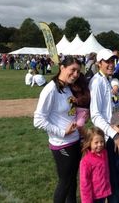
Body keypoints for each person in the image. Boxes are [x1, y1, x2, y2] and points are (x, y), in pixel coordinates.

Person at [33, 56, 84, 203]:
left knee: (72, 180)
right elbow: (38, 120)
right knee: (65, 182)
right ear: (62, 67)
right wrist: (62, 132)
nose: (75, 74)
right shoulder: (50, 90)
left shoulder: (68, 88)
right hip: (62, 144)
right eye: (72, 70)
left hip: (75, 141)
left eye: (78, 72)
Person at [89, 48, 119, 203]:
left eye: (112, 61)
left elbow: (110, 106)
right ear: (99, 63)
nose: (111, 64)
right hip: (110, 138)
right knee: (115, 180)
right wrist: (114, 134)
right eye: (107, 61)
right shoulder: (97, 82)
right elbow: (95, 114)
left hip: (118, 133)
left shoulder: (107, 79)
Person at [79, 127, 112, 203]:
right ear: (89, 143)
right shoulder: (85, 161)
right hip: (93, 197)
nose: (100, 144)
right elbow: (84, 184)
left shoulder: (104, 153)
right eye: (96, 142)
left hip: (103, 193)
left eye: (102, 141)